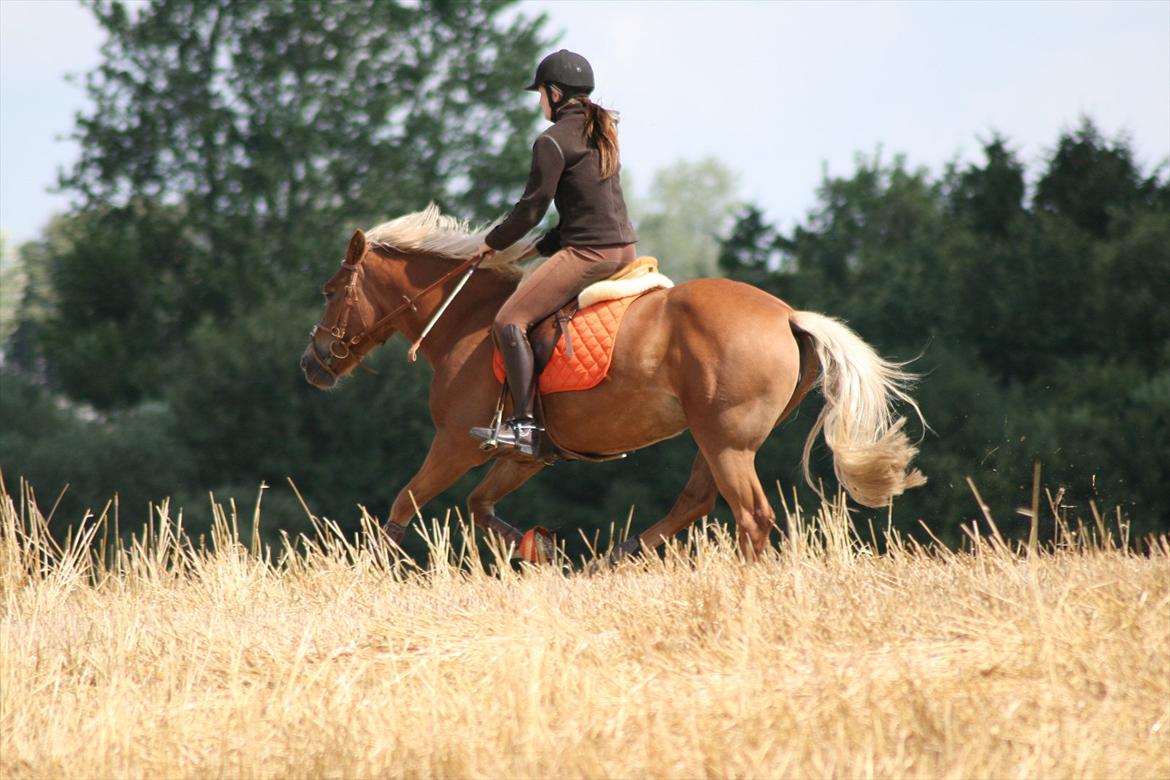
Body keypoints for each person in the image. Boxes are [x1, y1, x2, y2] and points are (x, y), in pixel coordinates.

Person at [468, 50, 638, 457]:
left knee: (509, 320)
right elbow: (587, 207)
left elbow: (530, 209)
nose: (540, 102)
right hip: (624, 249)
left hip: (589, 253)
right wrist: (541, 246)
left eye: (541, 94)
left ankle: (524, 426)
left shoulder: (552, 141)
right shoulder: (602, 132)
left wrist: (492, 242)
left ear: (556, 93)